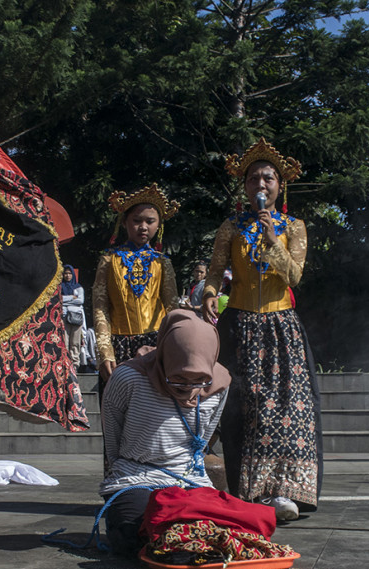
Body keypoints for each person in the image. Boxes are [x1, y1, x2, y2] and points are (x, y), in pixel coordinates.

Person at [201, 137, 322, 521]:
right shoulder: (230, 225)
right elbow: (215, 272)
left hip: (280, 326)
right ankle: (246, 490)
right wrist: (206, 293)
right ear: (246, 187)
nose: (261, 185)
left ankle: (286, 491)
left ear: (279, 186)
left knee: (286, 408)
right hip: (238, 325)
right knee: (242, 408)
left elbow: (295, 276)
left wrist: (274, 242)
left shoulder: (293, 226)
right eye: (254, 179)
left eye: (268, 178)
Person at [98, 310, 230, 555]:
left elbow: (201, 443)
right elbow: (112, 437)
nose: (189, 389)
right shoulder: (128, 378)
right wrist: (127, 466)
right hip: (135, 477)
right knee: (133, 534)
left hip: (189, 479)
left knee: (210, 534)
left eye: (199, 380)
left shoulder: (219, 386)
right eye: (178, 378)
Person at [91, 183, 180, 385]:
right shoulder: (109, 260)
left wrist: (174, 345)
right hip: (118, 345)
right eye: (136, 221)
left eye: (150, 221)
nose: (143, 227)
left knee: (154, 410)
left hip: (156, 346)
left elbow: (172, 308)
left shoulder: (162, 262)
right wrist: (105, 350)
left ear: (159, 224)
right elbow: (100, 307)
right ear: (124, 222)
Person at [60, 264, 85, 367]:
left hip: (76, 317)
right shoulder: (60, 287)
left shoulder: (78, 287)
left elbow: (80, 300)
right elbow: (59, 299)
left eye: (70, 273)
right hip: (64, 316)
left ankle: (75, 363)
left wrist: (65, 300)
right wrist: (72, 298)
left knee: (75, 341)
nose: (68, 275)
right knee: (64, 341)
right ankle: (65, 363)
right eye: (65, 273)